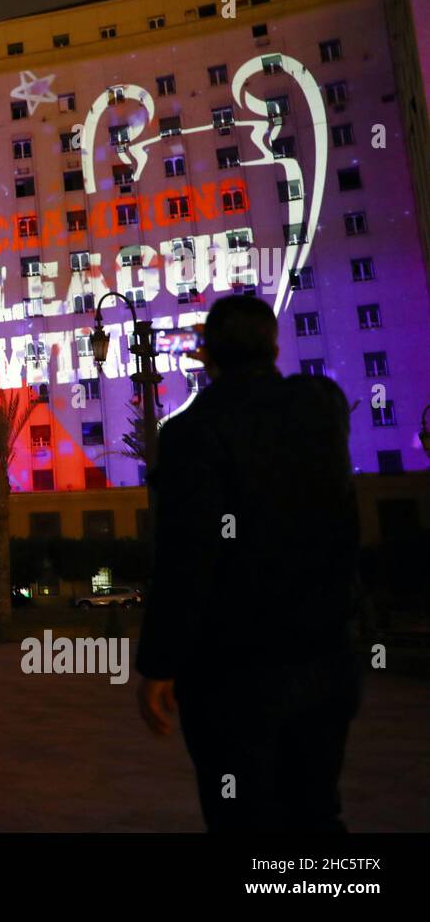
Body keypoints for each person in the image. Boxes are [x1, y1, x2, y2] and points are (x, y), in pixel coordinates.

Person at [136, 294, 362, 832]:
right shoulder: (322, 404)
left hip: (233, 671)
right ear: (277, 345)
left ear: (205, 357)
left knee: (241, 815)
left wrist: (160, 663)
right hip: (326, 655)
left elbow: (186, 554)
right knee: (316, 810)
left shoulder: (190, 433)